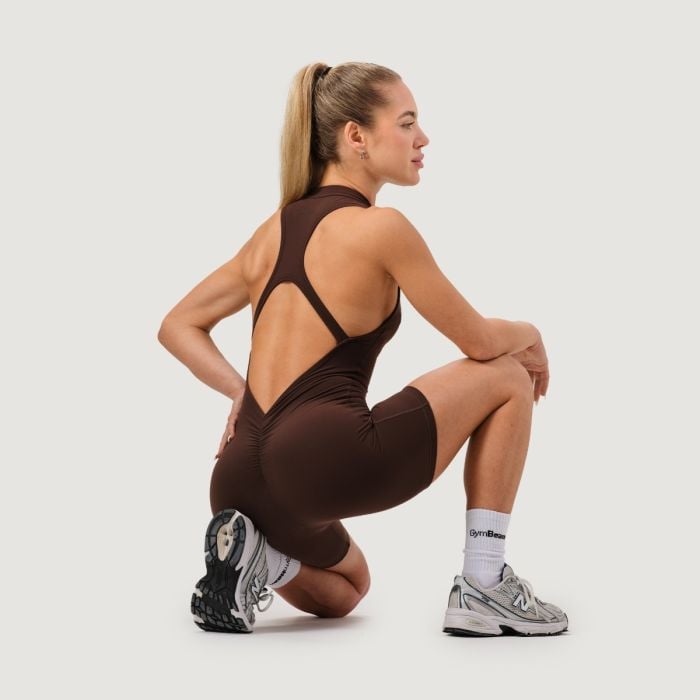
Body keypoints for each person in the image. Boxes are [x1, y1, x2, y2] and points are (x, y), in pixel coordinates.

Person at [157, 61, 568, 636]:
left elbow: (177, 324)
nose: (422, 139)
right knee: (506, 374)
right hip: (322, 458)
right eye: (407, 123)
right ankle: (485, 583)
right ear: (357, 137)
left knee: (347, 591)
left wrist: (240, 393)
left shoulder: (270, 232)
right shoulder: (381, 228)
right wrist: (531, 333)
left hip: (236, 477)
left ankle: (257, 556)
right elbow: (478, 341)